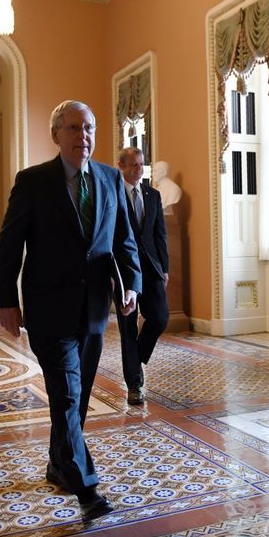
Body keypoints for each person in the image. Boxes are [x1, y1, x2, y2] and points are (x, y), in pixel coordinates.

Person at [0, 100, 141, 521]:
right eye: (74, 128)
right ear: (56, 134)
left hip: (93, 310)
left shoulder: (111, 179)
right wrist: (7, 299)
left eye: (90, 128)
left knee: (74, 403)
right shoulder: (33, 181)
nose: (84, 136)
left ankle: (59, 465)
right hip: (47, 308)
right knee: (67, 394)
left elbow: (124, 241)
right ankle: (86, 488)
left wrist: (131, 284)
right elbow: (10, 244)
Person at [116, 147, 169, 405]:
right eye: (134, 165)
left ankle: (135, 357)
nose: (139, 169)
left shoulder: (153, 195)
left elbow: (160, 235)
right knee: (128, 327)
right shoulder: (113, 195)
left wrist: (165, 268)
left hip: (150, 267)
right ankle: (134, 384)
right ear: (122, 166)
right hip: (124, 270)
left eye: (141, 164)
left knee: (160, 318)